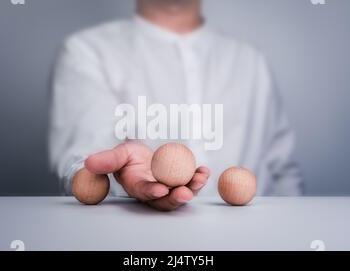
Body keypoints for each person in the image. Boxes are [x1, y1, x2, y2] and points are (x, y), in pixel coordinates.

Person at [49, 0, 302, 211]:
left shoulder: (251, 61)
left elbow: (282, 171)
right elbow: (84, 163)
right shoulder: (87, 51)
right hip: (138, 241)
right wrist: (101, 174)